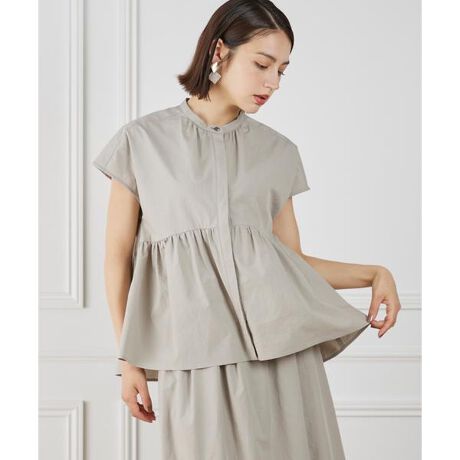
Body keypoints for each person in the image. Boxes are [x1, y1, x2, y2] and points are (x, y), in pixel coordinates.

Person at [92, 0, 402, 458]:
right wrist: (128, 359)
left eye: (282, 71)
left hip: (284, 357)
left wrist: (374, 274)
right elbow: (118, 259)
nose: (272, 83)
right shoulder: (141, 141)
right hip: (193, 356)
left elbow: (291, 264)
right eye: (262, 64)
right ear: (220, 52)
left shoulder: (278, 153)